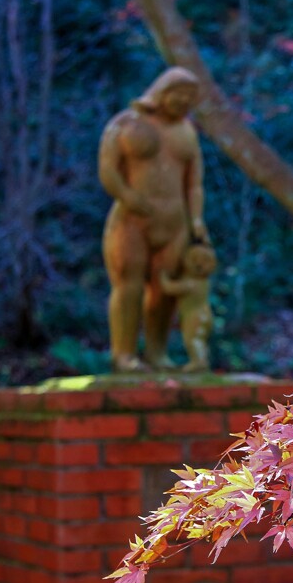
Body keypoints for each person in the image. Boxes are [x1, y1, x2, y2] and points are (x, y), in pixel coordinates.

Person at [98, 67, 210, 372]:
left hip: (175, 224)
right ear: (162, 91)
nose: (184, 101)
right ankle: (123, 354)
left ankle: (157, 352)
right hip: (132, 219)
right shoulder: (127, 123)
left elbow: (194, 183)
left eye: (191, 97)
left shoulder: (187, 132)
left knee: (164, 289)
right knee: (128, 284)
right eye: (179, 93)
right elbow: (108, 168)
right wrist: (126, 195)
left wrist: (197, 220)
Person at [160, 243, 216, 373]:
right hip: (205, 314)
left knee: (192, 339)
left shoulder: (190, 283)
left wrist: (162, 276)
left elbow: (169, 288)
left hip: (194, 316)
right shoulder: (204, 282)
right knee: (200, 339)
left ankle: (198, 362)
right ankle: (202, 360)